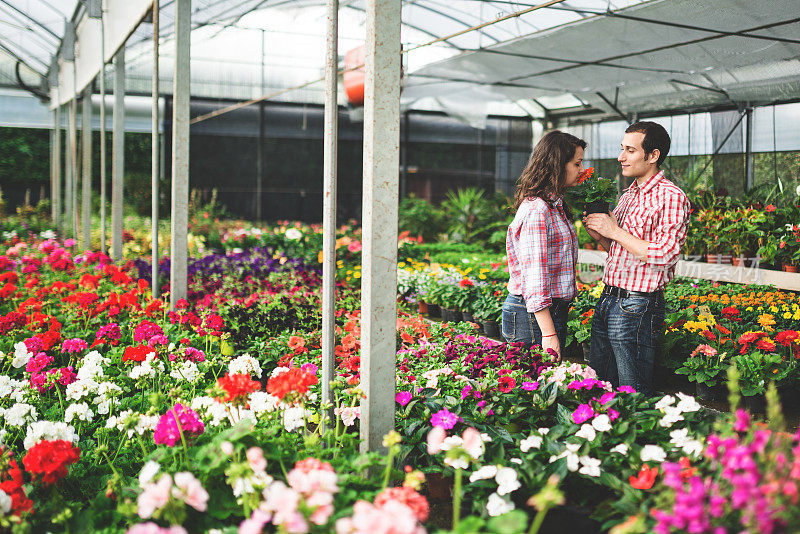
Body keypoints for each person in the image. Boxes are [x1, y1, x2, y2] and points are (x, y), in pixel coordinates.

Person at [583, 121, 690, 395]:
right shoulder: (628, 194)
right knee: (599, 383)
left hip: (637, 305)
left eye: (630, 150)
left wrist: (614, 231)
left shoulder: (671, 197)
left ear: (652, 155)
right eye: (622, 149)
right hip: (609, 298)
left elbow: (665, 254)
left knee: (633, 390)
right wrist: (601, 235)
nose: (621, 157)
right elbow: (619, 249)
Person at [502, 130, 586, 362]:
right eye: (577, 163)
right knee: (532, 390)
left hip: (548, 313)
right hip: (533, 316)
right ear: (558, 164)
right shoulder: (537, 210)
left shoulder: (554, 205)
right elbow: (535, 276)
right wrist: (549, 333)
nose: (581, 170)